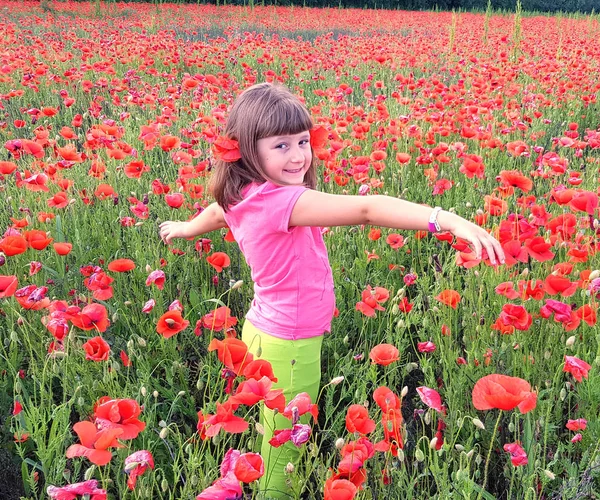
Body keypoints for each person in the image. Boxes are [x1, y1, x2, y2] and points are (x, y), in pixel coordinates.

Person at [159, 82, 505, 498]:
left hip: (262, 330)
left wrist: (184, 227)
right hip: (291, 344)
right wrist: (446, 218)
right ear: (248, 150)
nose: (298, 155)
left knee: (271, 428)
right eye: (281, 145)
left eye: (302, 141)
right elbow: (366, 208)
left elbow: (217, 211)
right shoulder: (283, 204)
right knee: (284, 448)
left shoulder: (244, 194)